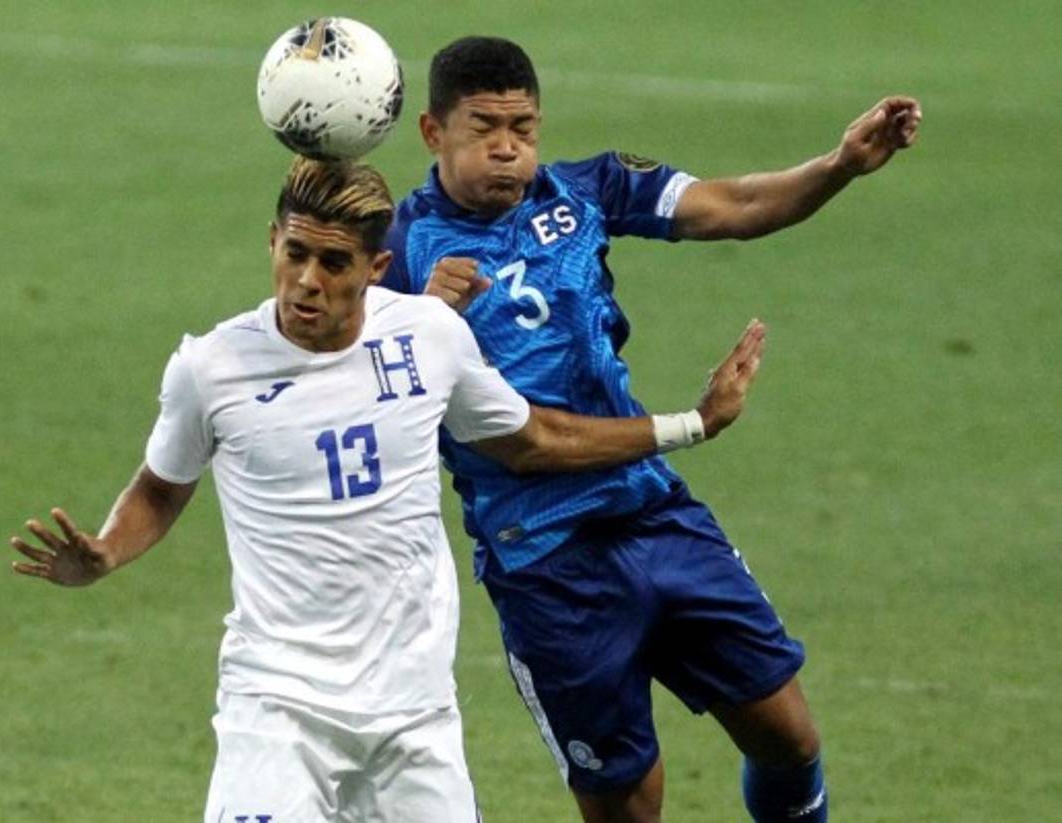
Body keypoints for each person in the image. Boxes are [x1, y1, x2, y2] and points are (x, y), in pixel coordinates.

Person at [8, 157, 767, 822]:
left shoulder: (430, 337)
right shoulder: (210, 369)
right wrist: (105, 551)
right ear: (272, 242)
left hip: (413, 711)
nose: (306, 281)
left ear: (375, 268)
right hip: (279, 705)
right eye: (295, 252)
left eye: (334, 263)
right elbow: (160, 487)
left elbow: (534, 439)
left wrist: (690, 423)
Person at [381, 36, 922, 823]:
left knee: (789, 738)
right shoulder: (399, 255)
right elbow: (457, 417)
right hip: (545, 564)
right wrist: (420, 320)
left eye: (523, 129)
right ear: (433, 133)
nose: (507, 149)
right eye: (483, 129)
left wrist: (837, 165)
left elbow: (732, 205)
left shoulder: (588, 189)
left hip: (651, 512)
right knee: (630, 807)